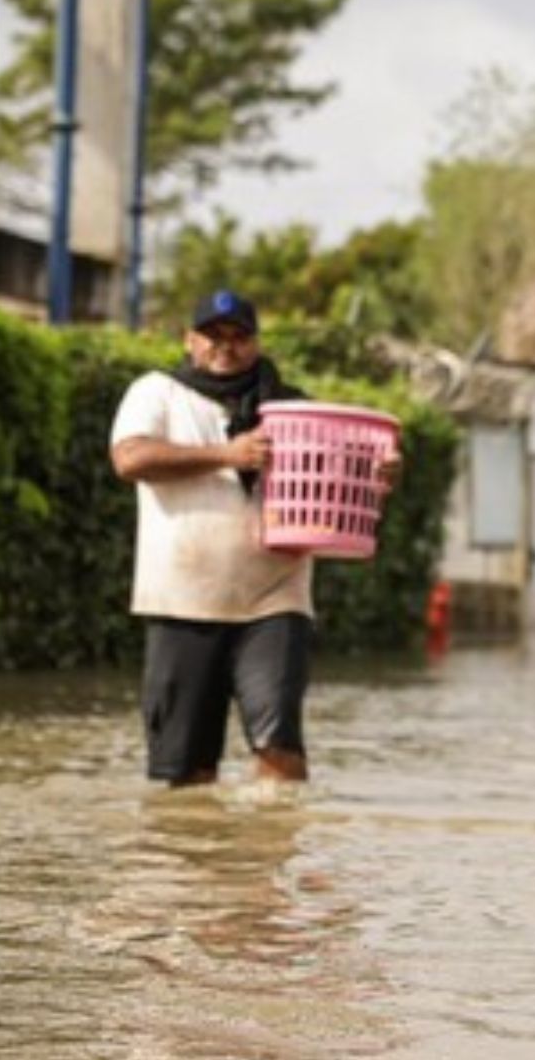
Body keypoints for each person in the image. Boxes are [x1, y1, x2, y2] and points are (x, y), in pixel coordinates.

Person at [109, 290, 400, 787]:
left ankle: (270, 855)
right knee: (187, 773)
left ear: (256, 342)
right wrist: (228, 455)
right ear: (190, 340)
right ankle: (201, 859)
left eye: (239, 336)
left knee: (279, 746)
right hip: (182, 599)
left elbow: (347, 472)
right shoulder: (156, 392)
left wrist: (382, 471)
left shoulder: (292, 407)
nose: (226, 346)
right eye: (213, 336)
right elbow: (130, 459)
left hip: (274, 598)